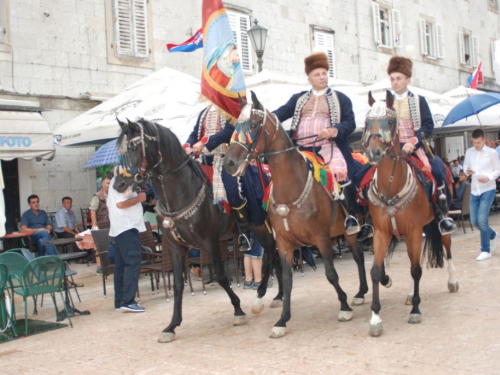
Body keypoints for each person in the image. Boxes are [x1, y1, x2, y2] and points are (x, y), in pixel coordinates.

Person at [272, 51, 361, 235]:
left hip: (329, 146)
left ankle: (350, 216)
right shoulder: (299, 98)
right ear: (309, 79)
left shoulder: (341, 98)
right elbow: (280, 113)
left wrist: (331, 131)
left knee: (343, 172)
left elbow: (350, 122)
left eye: (324, 73)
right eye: (317, 74)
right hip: (300, 148)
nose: (322, 77)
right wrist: (263, 116)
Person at [386, 56, 456, 235]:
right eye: (392, 79)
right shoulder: (385, 103)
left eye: (398, 78)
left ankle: (441, 215)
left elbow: (427, 126)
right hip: (392, 151)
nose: (395, 82)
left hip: (415, 148)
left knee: (437, 172)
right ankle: (370, 221)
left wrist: (413, 142)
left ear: (408, 80)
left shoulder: (419, 100)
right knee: (367, 175)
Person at [184, 105, 268, 251]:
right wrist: (188, 145)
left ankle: (245, 231)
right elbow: (194, 133)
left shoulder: (230, 109)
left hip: (225, 159)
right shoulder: (204, 111)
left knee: (233, 189)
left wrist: (205, 142)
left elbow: (229, 131)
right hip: (203, 160)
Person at [108, 176, 147, 312]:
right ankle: (128, 300)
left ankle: (120, 301)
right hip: (126, 227)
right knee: (133, 261)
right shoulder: (121, 179)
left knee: (121, 266)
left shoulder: (121, 180)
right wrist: (139, 199)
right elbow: (121, 204)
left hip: (122, 227)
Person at [463, 128, 500, 261]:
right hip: (474, 190)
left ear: (484, 139)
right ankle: (493, 234)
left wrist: (489, 177)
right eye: (474, 142)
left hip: (488, 189)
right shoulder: (469, 152)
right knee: (474, 221)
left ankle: (486, 250)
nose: (476, 145)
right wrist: (467, 172)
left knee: (482, 220)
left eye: (478, 142)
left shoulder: (492, 153)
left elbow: (497, 170)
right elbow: (465, 168)